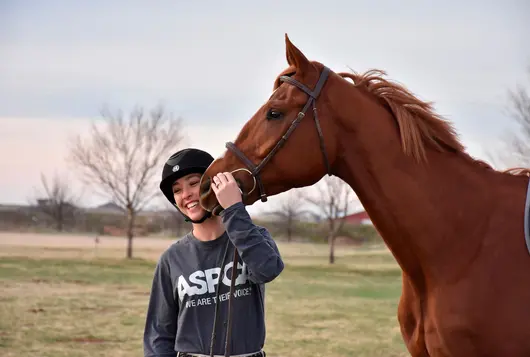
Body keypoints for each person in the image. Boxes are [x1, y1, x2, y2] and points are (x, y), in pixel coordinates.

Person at [143, 148, 284, 357]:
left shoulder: (254, 237)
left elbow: (268, 269)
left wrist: (233, 208)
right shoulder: (171, 259)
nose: (186, 194)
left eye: (193, 183)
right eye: (177, 190)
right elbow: (159, 335)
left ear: (215, 184)